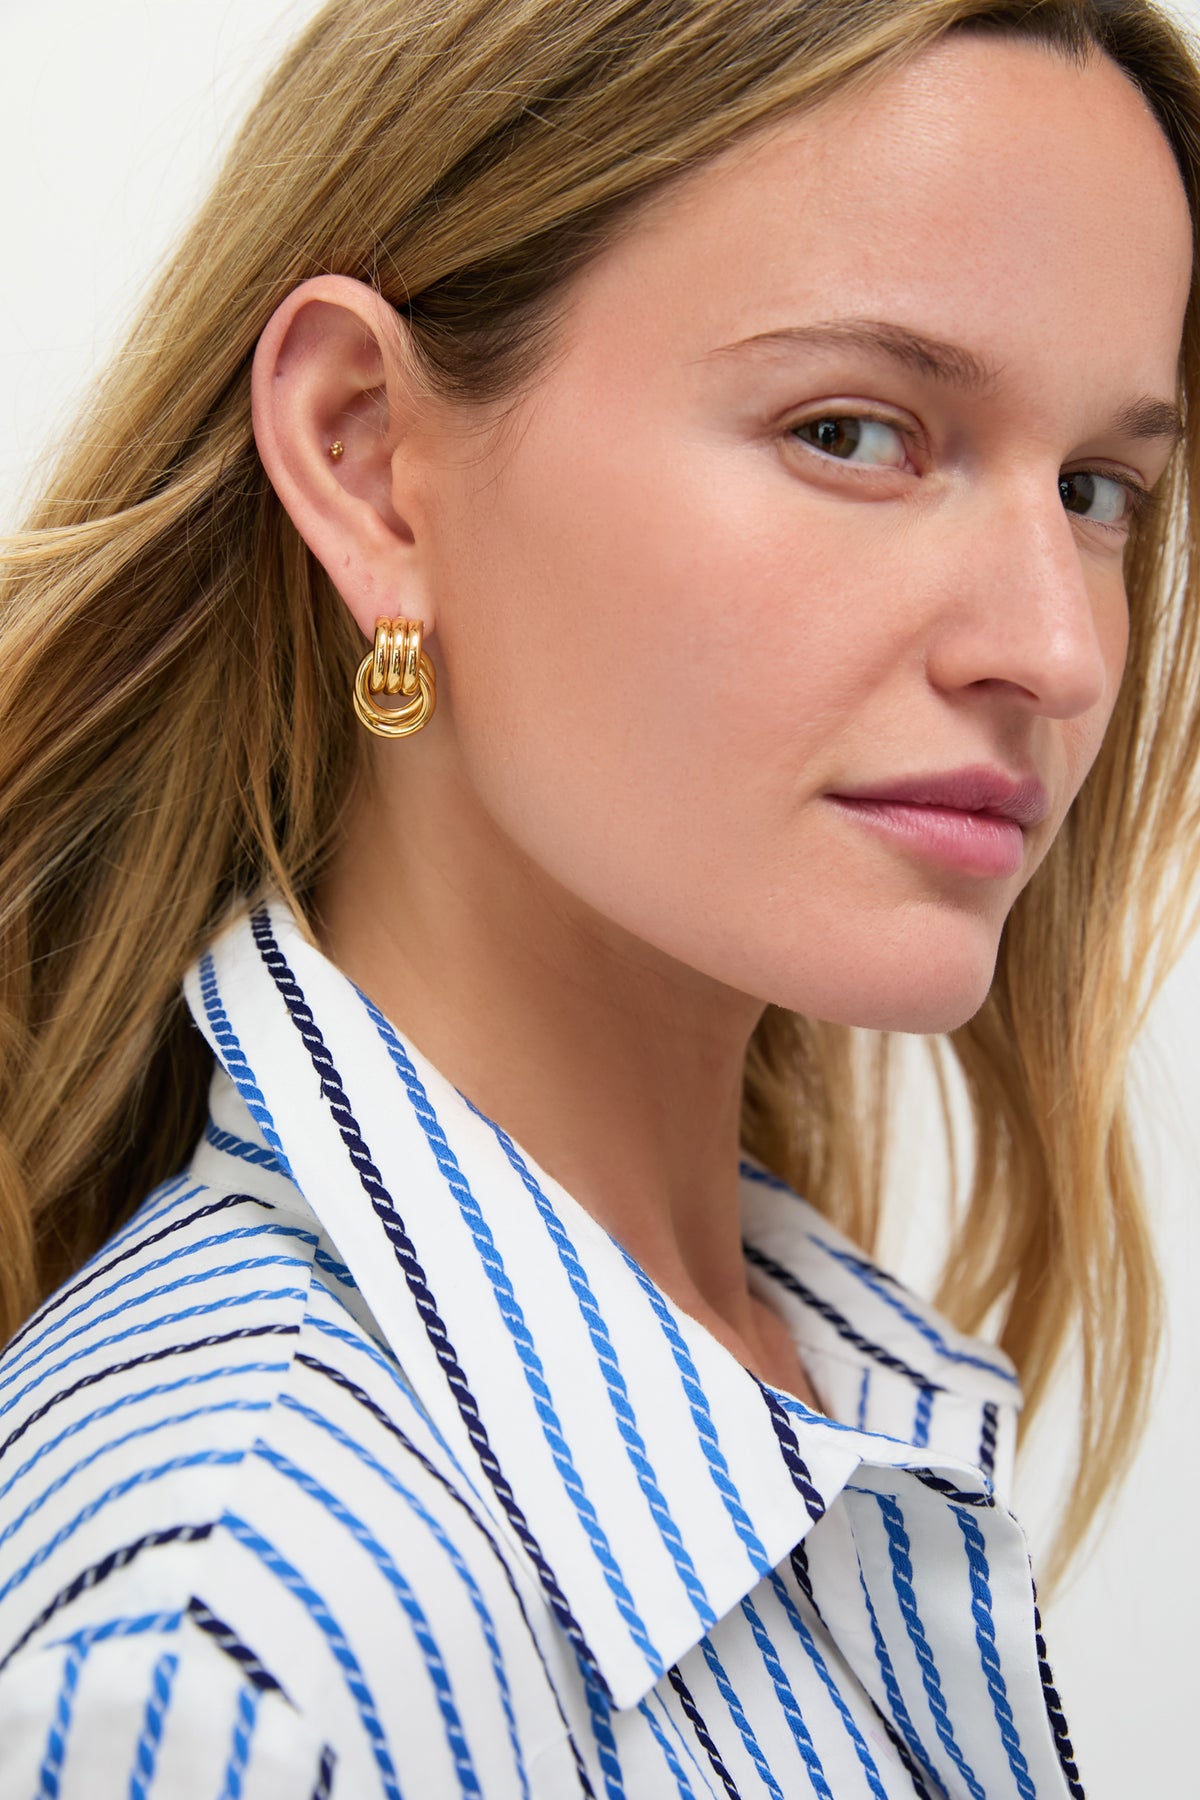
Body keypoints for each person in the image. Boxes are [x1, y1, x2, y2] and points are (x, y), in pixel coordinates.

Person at [0, 0, 1196, 1791]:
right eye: (857, 433)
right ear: (365, 458)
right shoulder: (227, 1653)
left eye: (1100, 487)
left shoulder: (808, 1394)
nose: (1053, 647)